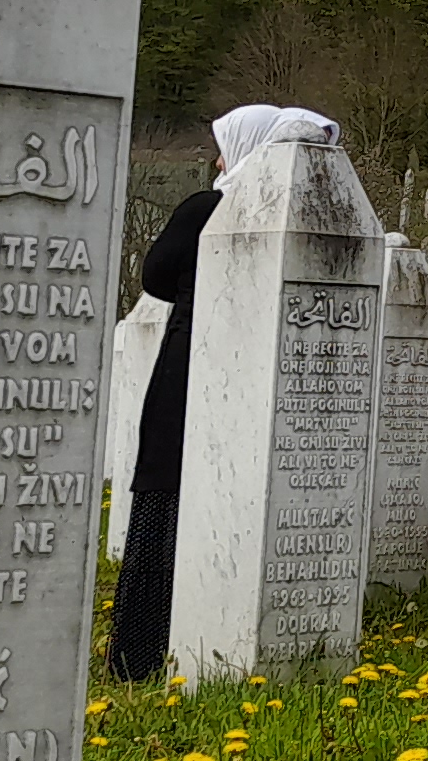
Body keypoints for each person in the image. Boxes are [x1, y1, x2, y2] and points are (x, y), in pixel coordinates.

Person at [106, 102, 307, 680]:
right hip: (261, 370)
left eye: (223, 145)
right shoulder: (281, 208)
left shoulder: (208, 208)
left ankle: (142, 650)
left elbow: (156, 275)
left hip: (190, 362)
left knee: (168, 491)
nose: (216, 158)